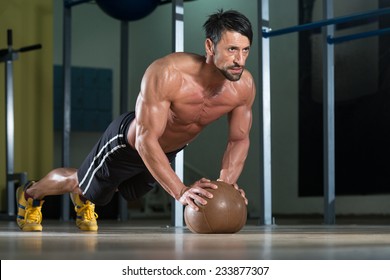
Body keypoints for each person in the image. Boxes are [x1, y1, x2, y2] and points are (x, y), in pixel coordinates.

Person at [16, 9, 255, 232]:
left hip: (166, 150)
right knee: (79, 180)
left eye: (245, 50)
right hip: (128, 143)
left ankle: (87, 191)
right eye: (232, 49)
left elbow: (239, 139)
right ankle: (31, 194)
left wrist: (224, 186)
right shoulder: (168, 73)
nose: (240, 60)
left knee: (126, 190)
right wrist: (180, 190)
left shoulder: (243, 86)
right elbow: (145, 139)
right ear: (210, 46)